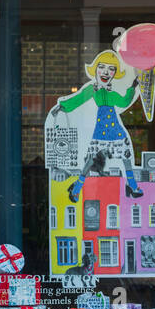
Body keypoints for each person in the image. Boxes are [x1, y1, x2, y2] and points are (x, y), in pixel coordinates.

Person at [56, 50, 144, 202]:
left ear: (115, 73)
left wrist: (132, 87)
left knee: (126, 158)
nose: (106, 72)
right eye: (102, 67)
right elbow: (78, 99)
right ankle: (77, 188)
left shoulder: (111, 93)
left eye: (111, 69)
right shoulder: (93, 89)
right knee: (90, 160)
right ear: (95, 69)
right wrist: (63, 106)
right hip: (101, 131)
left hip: (115, 131)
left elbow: (124, 102)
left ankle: (132, 185)